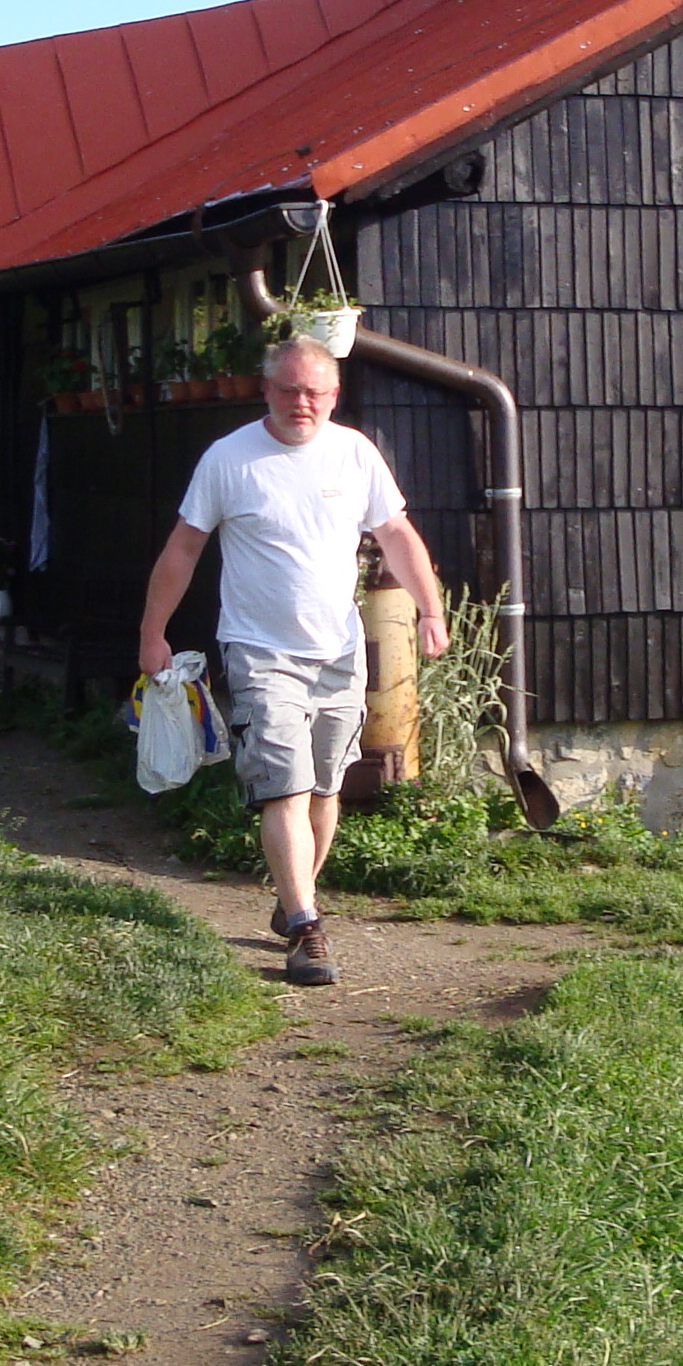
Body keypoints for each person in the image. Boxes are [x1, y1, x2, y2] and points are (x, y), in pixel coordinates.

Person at [139, 336, 447, 986]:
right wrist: (153, 632)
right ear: (266, 390)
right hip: (259, 650)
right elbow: (183, 549)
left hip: (338, 651)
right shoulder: (230, 459)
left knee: (326, 788)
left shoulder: (354, 454)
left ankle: (293, 894)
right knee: (286, 785)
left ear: (334, 396)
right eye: (289, 389)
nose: (301, 402)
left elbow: (395, 533)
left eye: (314, 392)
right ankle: (307, 927)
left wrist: (430, 609)